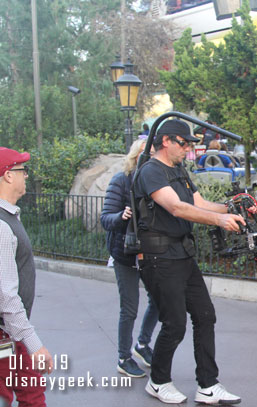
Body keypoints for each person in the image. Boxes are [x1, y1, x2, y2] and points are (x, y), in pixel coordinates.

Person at [133, 120, 245, 404]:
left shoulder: (179, 170)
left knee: (205, 315)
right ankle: (158, 381)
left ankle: (208, 384)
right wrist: (220, 219)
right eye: (184, 143)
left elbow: (199, 203)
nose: (188, 149)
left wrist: (233, 208)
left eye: (191, 145)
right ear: (167, 141)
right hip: (158, 257)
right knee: (174, 323)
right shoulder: (150, 171)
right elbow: (177, 207)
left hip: (182, 254)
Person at [100, 139, 159, 378]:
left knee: (158, 300)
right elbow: (105, 219)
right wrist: (122, 216)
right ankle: (124, 358)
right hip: (125, 255)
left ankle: (142, 345)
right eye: (151, 156)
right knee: (130, 309)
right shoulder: (121, 180)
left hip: (149, 252)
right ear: (137, 158)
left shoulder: (155, 182)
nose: (154, 161)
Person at [0, 147, 54, 406]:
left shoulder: (7, 218)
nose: (26, 177)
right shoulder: (1, 226)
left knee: (32, 393)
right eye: (23, 171)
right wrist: (35, 345)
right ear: (8, 175)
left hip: (11, 334)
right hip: (7, 334)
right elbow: (6, 295)